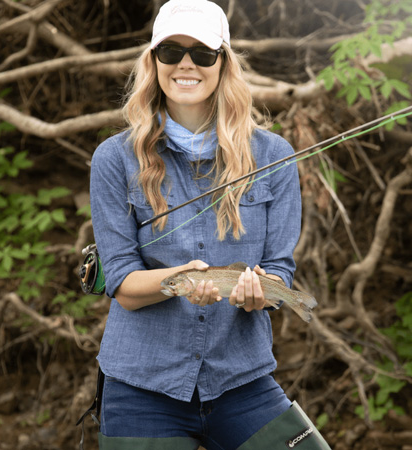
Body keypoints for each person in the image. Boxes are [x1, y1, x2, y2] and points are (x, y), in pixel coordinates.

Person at [88, 0, 330, 448]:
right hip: (142, 386)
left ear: (223, 64)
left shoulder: (274, 155)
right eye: (171, 52)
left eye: (202, 54)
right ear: (153, 61)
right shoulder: (113, 159)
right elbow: (122, 284)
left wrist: (263, 294)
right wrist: (181, 278)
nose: (186, 64)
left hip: (242, 381)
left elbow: (279, 266)